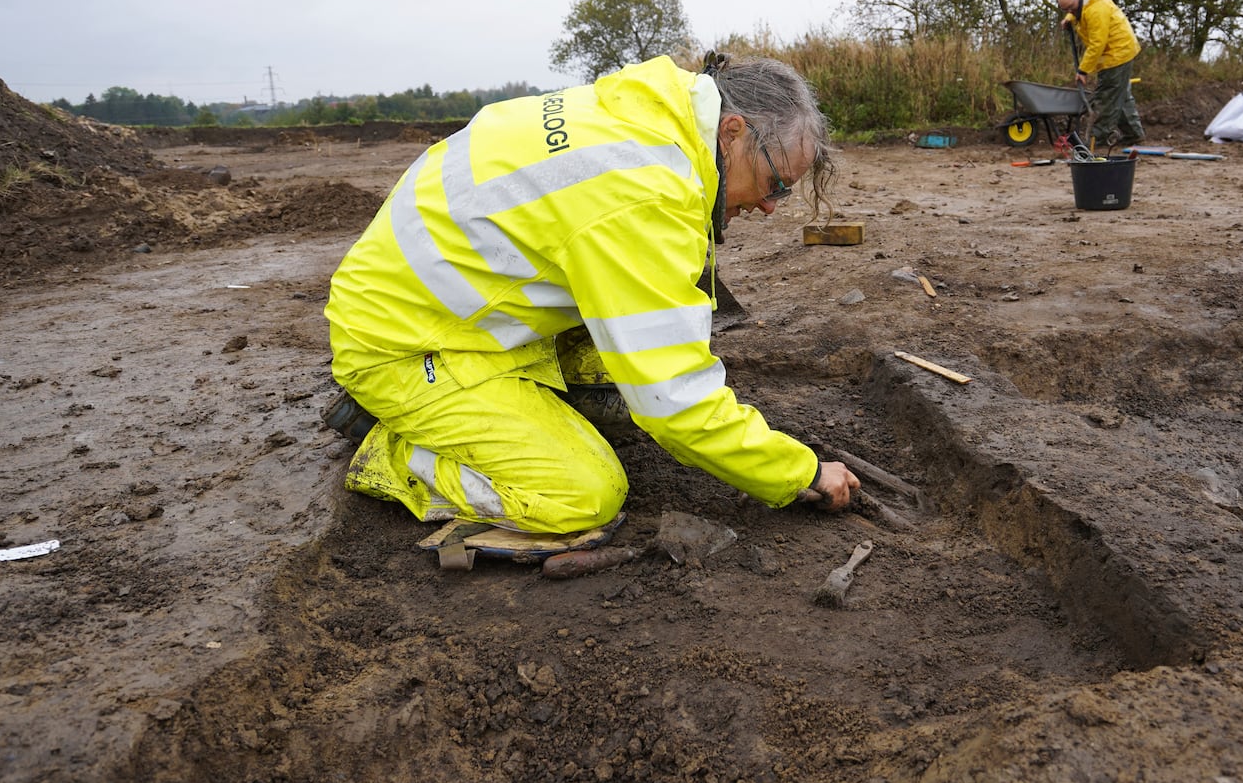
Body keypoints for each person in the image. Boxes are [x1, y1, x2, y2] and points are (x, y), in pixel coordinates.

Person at [323, 52, 861, 539]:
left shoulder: (649, 107)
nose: (771, 206)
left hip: (444, 300)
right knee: (583, 495)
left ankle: (519, 401)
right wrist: (801, 471)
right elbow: (675, 401)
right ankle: (392, 447)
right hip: (406, 344)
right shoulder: (642, 192)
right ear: (732, 132)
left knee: (622, 378)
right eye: (777, 184)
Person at [1057, 0, 1144, 149]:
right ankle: (1134, 134)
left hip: (1117, 53)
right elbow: (1078, 13)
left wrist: (1083, 70)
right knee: (1120, 95)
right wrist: (1069, 19)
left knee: (1107, 97)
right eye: (1066, 10)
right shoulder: (1084, 3)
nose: (1070, 11)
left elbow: (1097, 44)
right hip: (1116, 52)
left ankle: (1098, 139)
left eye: (1070, 8)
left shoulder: (1097, 10)